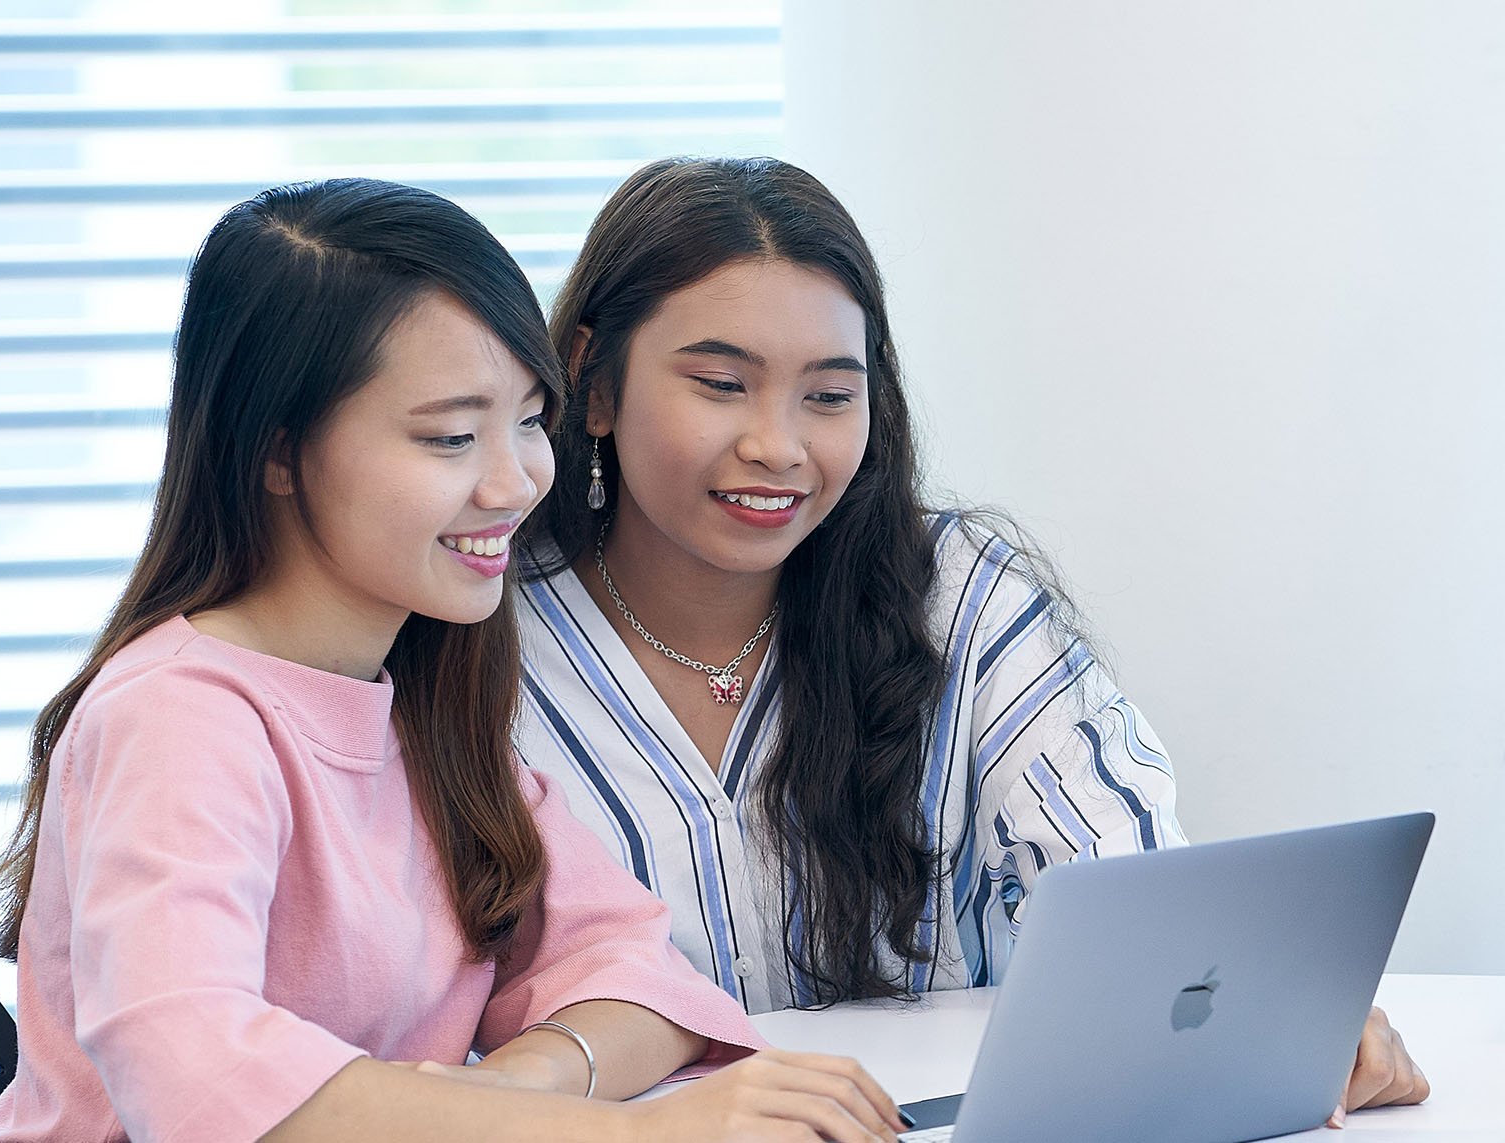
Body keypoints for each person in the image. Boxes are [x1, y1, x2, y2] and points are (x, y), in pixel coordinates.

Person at [0, 178, 910, 1143]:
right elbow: (196, 1071)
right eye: (452, 437)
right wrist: (645, 1135)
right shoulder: (177, 715)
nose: (514, 482)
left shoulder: (418, 702)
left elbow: (634, 969)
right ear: (279, 451)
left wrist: (522, 1088)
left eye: (530, 420)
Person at [512, 156, 1428, 1122]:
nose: (779, 446)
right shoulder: (480, 637)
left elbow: (1125, 891)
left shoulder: (958, 597)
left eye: (829, 396)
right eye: (722, 383)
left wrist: (1274, 1012)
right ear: (593, 381)